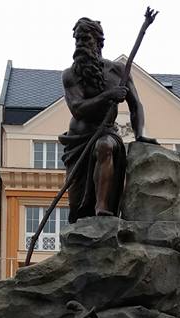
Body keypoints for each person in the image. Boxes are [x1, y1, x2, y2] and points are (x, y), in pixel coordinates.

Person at [61, 17, 157, 222]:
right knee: (77, 207)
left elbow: (136, 105)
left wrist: (140, 134)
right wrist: (108, 95)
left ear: (98, 42)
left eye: (85, 39)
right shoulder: (71, 74)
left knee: (105, 146)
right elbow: (77, 109)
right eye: (77, 39)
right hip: (78, 142)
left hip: (106, 133)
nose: (79, 44)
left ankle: (103, 209)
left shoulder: (118, 71)